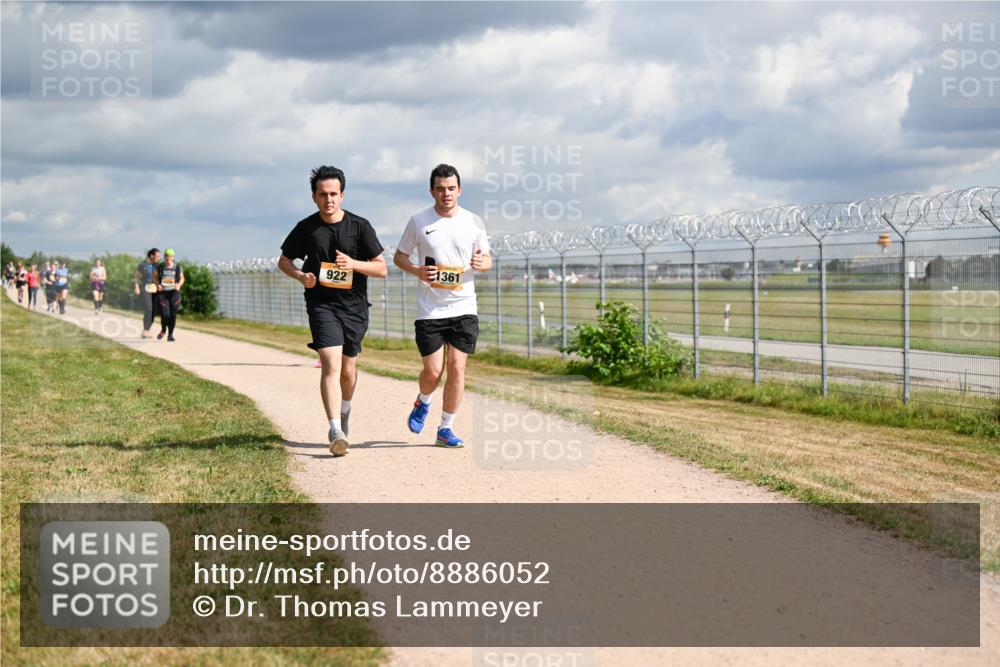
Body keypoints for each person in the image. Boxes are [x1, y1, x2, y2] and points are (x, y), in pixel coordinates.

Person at [278, 165, 387, 457]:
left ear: (342, 195)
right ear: (314, 197)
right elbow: (284, 261)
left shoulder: (360, 226)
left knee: (348, 370)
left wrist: (354, 264)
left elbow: (381, 268)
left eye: (334, 194)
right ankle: (336, 429)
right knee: (330, 363)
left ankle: (345, 409)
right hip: (321, 305)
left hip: (354, 308)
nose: (329, 200)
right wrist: (301, 276)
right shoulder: (306, 228)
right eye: (323, 194)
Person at [393, 164, 491, 448]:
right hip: (430, 309)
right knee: (433, 372)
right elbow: (400, 257)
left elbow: (486, 260)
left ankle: (445, 428)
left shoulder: (474, 221)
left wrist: (484, 263)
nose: (446, 193)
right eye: (440, 189)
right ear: (432, 191)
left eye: (451, 188)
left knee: (457, 368)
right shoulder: (418, 221)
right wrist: (417, 271)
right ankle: (423, 401)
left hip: (463, 306)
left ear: (459, 190)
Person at [154, 249, 184, 341]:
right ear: (164, 257)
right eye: (167, 256)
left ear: (173, 257)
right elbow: (154, 277)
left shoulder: (178, 267)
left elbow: (182, 278)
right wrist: (157, 284)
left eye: (170, 257)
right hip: (163, 294)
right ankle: (163, 330)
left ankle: (170, 335)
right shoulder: (160, 267)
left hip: (174, 293)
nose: (168, 258)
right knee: (165, 314)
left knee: (173, 315)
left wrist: (179, 285)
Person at [134, 248, 161, 337]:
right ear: (151, 256)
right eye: (157, 256)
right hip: (146, 288)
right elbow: (137, 277)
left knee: (153, 311)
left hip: (156, 290)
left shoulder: (159, 266)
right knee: (149, 308)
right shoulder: (142, 265)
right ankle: (145, 330)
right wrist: (136, 287)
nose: (158, 258)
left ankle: (147, 330)